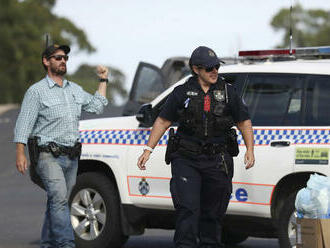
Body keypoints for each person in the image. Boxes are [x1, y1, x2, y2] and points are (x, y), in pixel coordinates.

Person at [137, 46, 255, 248]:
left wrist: (250, 150)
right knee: (188, 210)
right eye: (209, 68)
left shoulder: (228, 92)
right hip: (186, 159)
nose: (214, 71)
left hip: (218, 161)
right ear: (195, 69)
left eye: (216, 66)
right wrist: (148, 150)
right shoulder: (181, 92)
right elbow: (163, 121)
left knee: (213, 214)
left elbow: (244, 122)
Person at [14, 44, 109, 248]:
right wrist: (20, 152)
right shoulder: (36, 92)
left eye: (65, 57)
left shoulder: (74, 89)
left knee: (58, 202)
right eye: (57, 57)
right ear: (46, 61)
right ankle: (67, 244)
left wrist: (103, 80)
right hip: (47, 155)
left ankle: (48, 244)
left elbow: (97, 106)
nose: (63, 61)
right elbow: (24, 123)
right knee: (58, 199)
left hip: (72, 156)